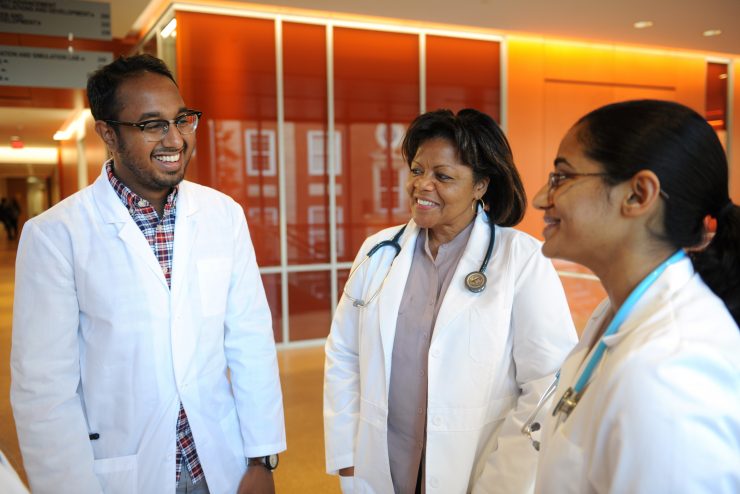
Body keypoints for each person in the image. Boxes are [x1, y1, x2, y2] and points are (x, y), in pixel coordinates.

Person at [10, 54, 286, 494]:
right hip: (123, 470)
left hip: (220, 461)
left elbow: (250, 341)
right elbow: (44, 393)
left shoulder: (222, 215)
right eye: (152, 124)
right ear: (108, 133)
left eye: (182, 120)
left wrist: (261, 458)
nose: (175, 138)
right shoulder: (55, 236)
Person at [324, 108, 578, 493]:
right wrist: (346, 450)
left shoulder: (521, 259)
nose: (422, 185)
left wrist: (506, 478)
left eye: (443, 176)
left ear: (480, 185)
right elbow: (344, 352)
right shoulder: (378, 252)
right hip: (383, 461)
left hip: (478, 467)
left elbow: (547, 384)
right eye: (416, 170)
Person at [531, 99, 740, 493]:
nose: (542, 198)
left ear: (638, 195)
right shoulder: (615, 315)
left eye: (562, 177)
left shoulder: (669, 369)